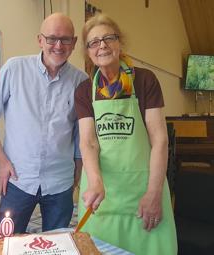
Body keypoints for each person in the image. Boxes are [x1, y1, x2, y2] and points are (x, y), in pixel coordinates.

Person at [74, 14, 178, 255]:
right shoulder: (84, 90)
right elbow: (88, 142)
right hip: (103, 194)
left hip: (144, 190)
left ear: (119, 43)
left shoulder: (144, 80)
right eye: (94, 42)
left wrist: (154, 194)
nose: (102, 45)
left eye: (108, 38)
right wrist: (96, 181)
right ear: (88, 52)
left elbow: (159, 139)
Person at [0, 12, 88, 234]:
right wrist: (2, 161)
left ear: (74, 43)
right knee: (6, 243)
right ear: (40, 40)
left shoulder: (81, 81)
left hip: (60, 183)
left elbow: (79, 132)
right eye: (51, 38)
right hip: (18, 179)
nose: (58, 45)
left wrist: (78, 170)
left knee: (56, 246)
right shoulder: (14, 68)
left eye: (66, 39)